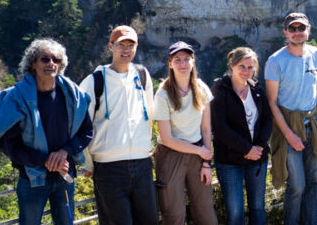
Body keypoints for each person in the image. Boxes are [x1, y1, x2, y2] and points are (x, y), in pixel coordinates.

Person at [0, 39, 94, 225]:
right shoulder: (16, 99)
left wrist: (64, 152)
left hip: (64, 176)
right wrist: (46, 161)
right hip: (32, 178)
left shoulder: (73, 95)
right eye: (45, 59)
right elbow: (11, 146)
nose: (51, 63)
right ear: (32, 63)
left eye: (56, 60)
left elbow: (86, 132)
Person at [77, 26, 157, 225]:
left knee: (149, 221)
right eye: (121, 45)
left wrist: (146, 149)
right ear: (111, 46)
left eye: (131, 45)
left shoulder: (142, 75)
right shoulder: (94, 80)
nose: (126, 49)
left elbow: (149, 114)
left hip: (142, 163)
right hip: (108, 167)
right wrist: (88, 162)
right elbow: (81, 123)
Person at [265, 12, 317, 225]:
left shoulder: (316, 54)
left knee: (313, 181)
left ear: (308, 30)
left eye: (301, 28)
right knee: (297, 185)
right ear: (285, 32)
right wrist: (289, 135)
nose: (297, 33)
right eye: (292, 29)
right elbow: (272, 102)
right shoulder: (275, 61)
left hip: (313, 126)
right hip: (289, 127)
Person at [153, 41, 217, 225]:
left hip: (198, 154)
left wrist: (206, 163)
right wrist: (200, 152)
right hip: (171, 155)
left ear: (193, 62)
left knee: (205, 211)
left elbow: (205, 128)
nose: (182, 64)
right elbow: (167, 138)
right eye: (177, 59)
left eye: (186, 59)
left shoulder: (201, 88)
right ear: (170, 64)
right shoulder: (163, 94)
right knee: (174, 213)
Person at [210, 47, 273, 225]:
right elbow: (220, 128)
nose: (246, 71)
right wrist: (247, 149)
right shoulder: (219, 90)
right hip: (229, 160)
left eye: (250, 67)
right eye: (242, 66)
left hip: (257, 158)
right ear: (232, 65)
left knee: (258, 207)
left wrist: (259, 146)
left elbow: (267, 118)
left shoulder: (257, 89)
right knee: (235, 211)